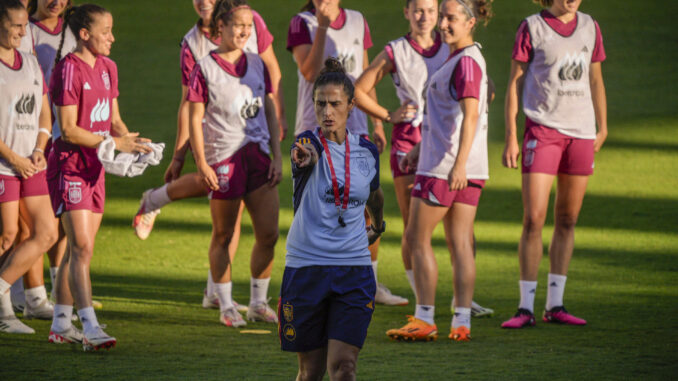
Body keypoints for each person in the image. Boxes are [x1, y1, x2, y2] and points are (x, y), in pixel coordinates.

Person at [132, 0, 286, 311]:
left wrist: (276, 130)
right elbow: (188, 105)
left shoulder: (251, 32)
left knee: (251, 220)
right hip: (217, 136)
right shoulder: (193, 46)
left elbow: (272, 79)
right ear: (220, 28)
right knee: (227, 220)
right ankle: (219, 295)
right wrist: (182, 155)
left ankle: (155, 200)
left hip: (253, 137)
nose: (203, 2)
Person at [47, 3, 152, 350]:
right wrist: (114, 142)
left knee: (79, 252)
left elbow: (114, 120)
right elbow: (67, 129)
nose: (113, 37)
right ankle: (89, 326)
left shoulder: (108, 67)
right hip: (70, 168)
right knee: (81, 246)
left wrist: (136, 143)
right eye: (106, 32)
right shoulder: (67, 70)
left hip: (95, 170)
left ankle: (61, 323)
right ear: (84, 34)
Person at [386, 0, 492, 342]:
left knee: (417, 239)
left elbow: (471, 114)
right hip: (459, 164)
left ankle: (424, 317)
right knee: (460, 242)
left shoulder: (465, 62)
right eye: (443, 17)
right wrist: (419, 149)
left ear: (470, 22)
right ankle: (461, 323)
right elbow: (450, 117)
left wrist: (457, 164)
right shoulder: (461, 58)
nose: (443, 23)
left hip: (446, 168)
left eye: (451, 18)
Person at [288, 0, 405, 306]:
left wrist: (377, 123)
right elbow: (310, 71)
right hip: (315, 134)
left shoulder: (357, 19)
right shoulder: (302, 23)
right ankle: (316, 280)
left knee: (365, 204)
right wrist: (323, 25)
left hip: (356, 129)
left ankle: (370, 283)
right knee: (318, 208)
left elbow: (364, 78)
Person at [500, 0, 607, 329]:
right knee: (533, 219)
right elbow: (514, 83)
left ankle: (555, 305)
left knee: (567, 219)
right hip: (542, 132)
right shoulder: (532, 27)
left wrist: (602, 127)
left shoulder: (590, 25)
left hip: (582, 135)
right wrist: (511, 137)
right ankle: (525, 308)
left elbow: (595, 79)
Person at [280, 57, 384, 381]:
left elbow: (375, 195)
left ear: (351, 105)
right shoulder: (308, 143)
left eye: (334, 104)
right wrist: (304, 158)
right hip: (307, 267)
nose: (326, 112)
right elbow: (303, 154)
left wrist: (376, 226)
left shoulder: (367, 152)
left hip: (354, 269)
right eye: (320, 103)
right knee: (310, 373)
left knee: (344, 369)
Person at [186, 0, 281, 328]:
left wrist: (277, 155)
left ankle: (257, 303)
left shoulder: (257, 63)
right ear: (220, 28)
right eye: (237, 25)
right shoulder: (205, 67)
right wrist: (201, 162)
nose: (243, 31)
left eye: (248, 26)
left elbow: (268, 107)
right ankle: (226, 305)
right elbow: (194, 115)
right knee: (224, 234)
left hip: (257, 157)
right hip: (223, 158)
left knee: (268, 234)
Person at [0, 0, 57, 334]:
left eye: (25, 26)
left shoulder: (32, 64)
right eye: (16, 27)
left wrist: (39, 148)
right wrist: (15, 159)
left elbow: (44, 112)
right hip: (5, 165)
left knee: (45, 232)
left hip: (30, 163)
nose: (24, 32)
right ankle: (5, 315)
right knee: (7, 235)